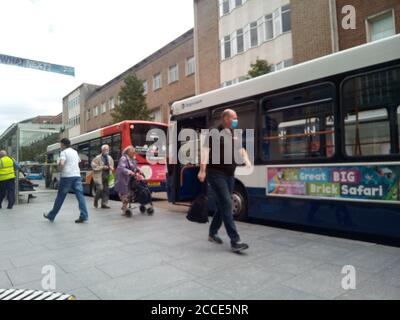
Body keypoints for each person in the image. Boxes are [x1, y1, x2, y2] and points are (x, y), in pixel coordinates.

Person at [198, 109, 251, 253]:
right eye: (234, 117)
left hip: (230, 175)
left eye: (236, 117)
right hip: (216, 174)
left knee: (222, 206)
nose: (236, 120)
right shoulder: (213, 132)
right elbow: (205, 152)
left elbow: (241, 149)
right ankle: (235, 241)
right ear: (225, 118)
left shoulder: (234, 134)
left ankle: (212, 233)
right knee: (227, 203)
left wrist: (246, 160)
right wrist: (202, 170)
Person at [43, 138, 89, 223]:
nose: (60, 146)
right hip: (77, 175)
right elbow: (78, 162)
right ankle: (84, 215)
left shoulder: (64, 152)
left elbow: (62, 164)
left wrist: (59, 166)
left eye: (61, 145)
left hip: (67, 176)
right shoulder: (75, 152)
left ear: (63, 145)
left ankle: (51, 215)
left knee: (60, 197)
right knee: (80, 196)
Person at [115, 146, 143, 217]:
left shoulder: (131, 159)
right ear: (128, 152)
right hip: (123, 179)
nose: (134, 153)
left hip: (129, 180)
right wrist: (129, 172)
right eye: (133, 152)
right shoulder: (123, 158)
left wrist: (140, 170)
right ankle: (124, 209)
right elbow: (121, 168)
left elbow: (134, 167)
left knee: (128, 195)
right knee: (124, 195)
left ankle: (124, 207)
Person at [91, 144, 114, 209]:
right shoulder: (97, 157)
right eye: (105, 149)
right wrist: (102, 167)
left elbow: (112, 165)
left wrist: (111, 167)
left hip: (107, 175)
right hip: (99, 175)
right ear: (102, 150)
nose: (107, 151)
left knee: (106, 190)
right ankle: (96, 200)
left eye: (107, 149)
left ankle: (104, 204)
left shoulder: (109, 157)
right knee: (100, 188)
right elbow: (93, 166)